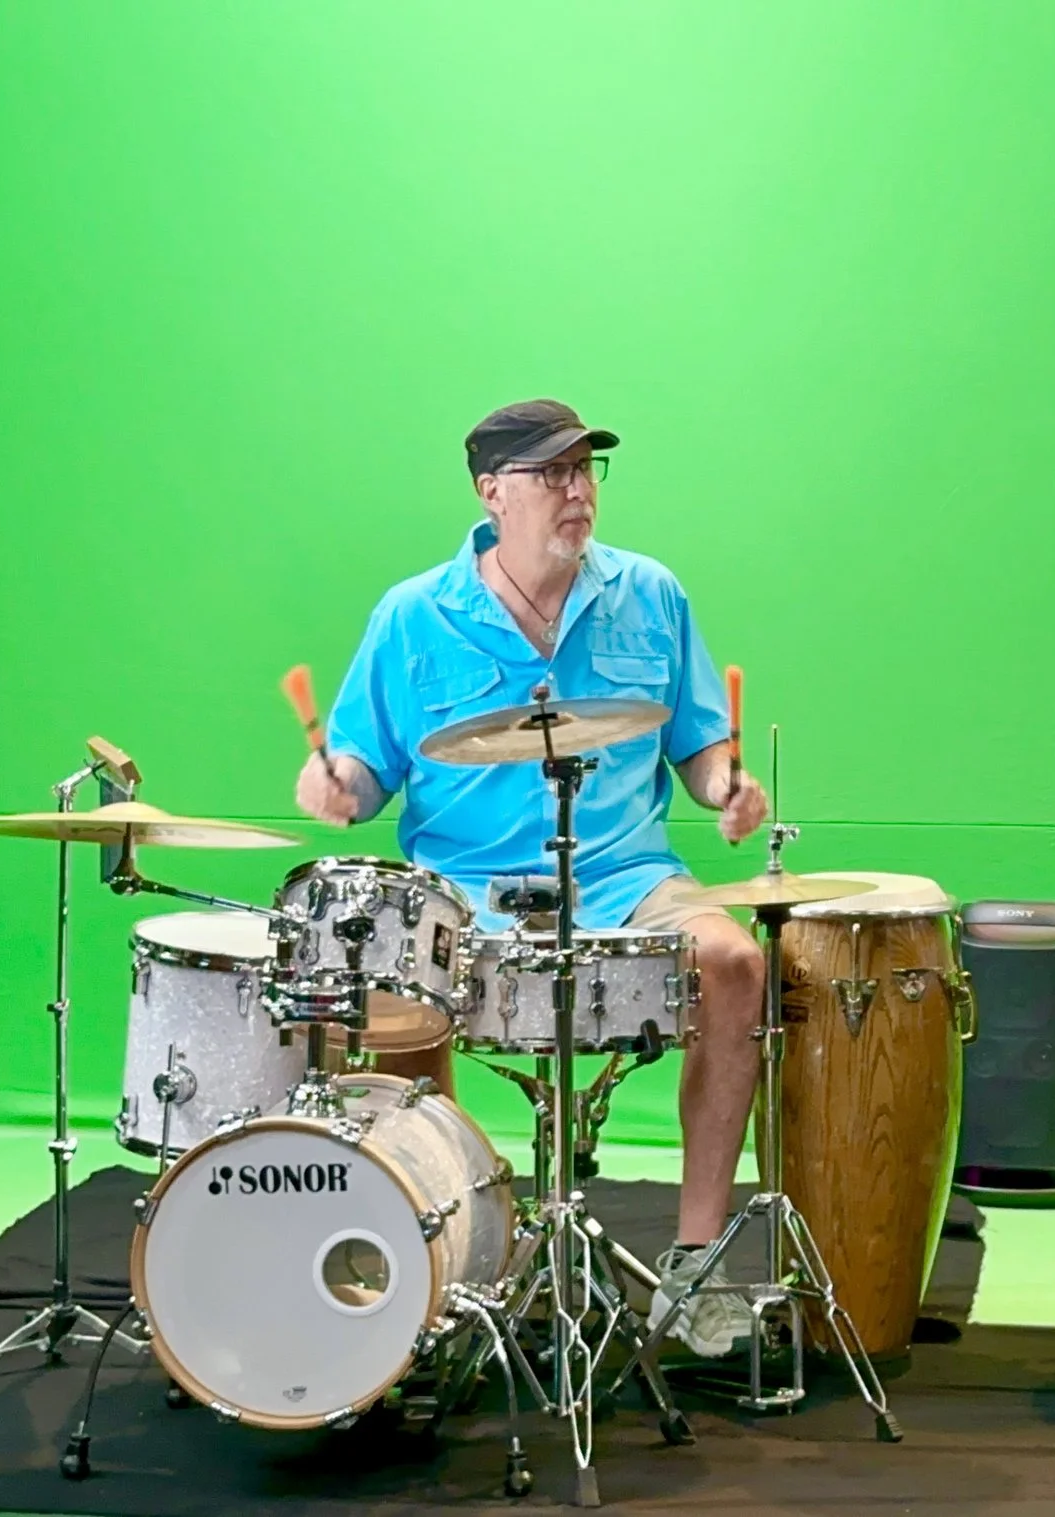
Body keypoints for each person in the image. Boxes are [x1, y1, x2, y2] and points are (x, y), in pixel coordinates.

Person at [295, 398, 772, 1357]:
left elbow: (698, 747)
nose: (576, 490)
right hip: (466, 890)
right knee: (384, 995)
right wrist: (332, 784)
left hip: (626, 869)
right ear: (491, 492)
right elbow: (357, 773)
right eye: (551, 473)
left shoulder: (651, 593)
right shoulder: (412, 617)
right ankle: (453, 1260)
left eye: (585, 470)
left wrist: (728, 785)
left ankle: (695, 1261)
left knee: (736, 962)